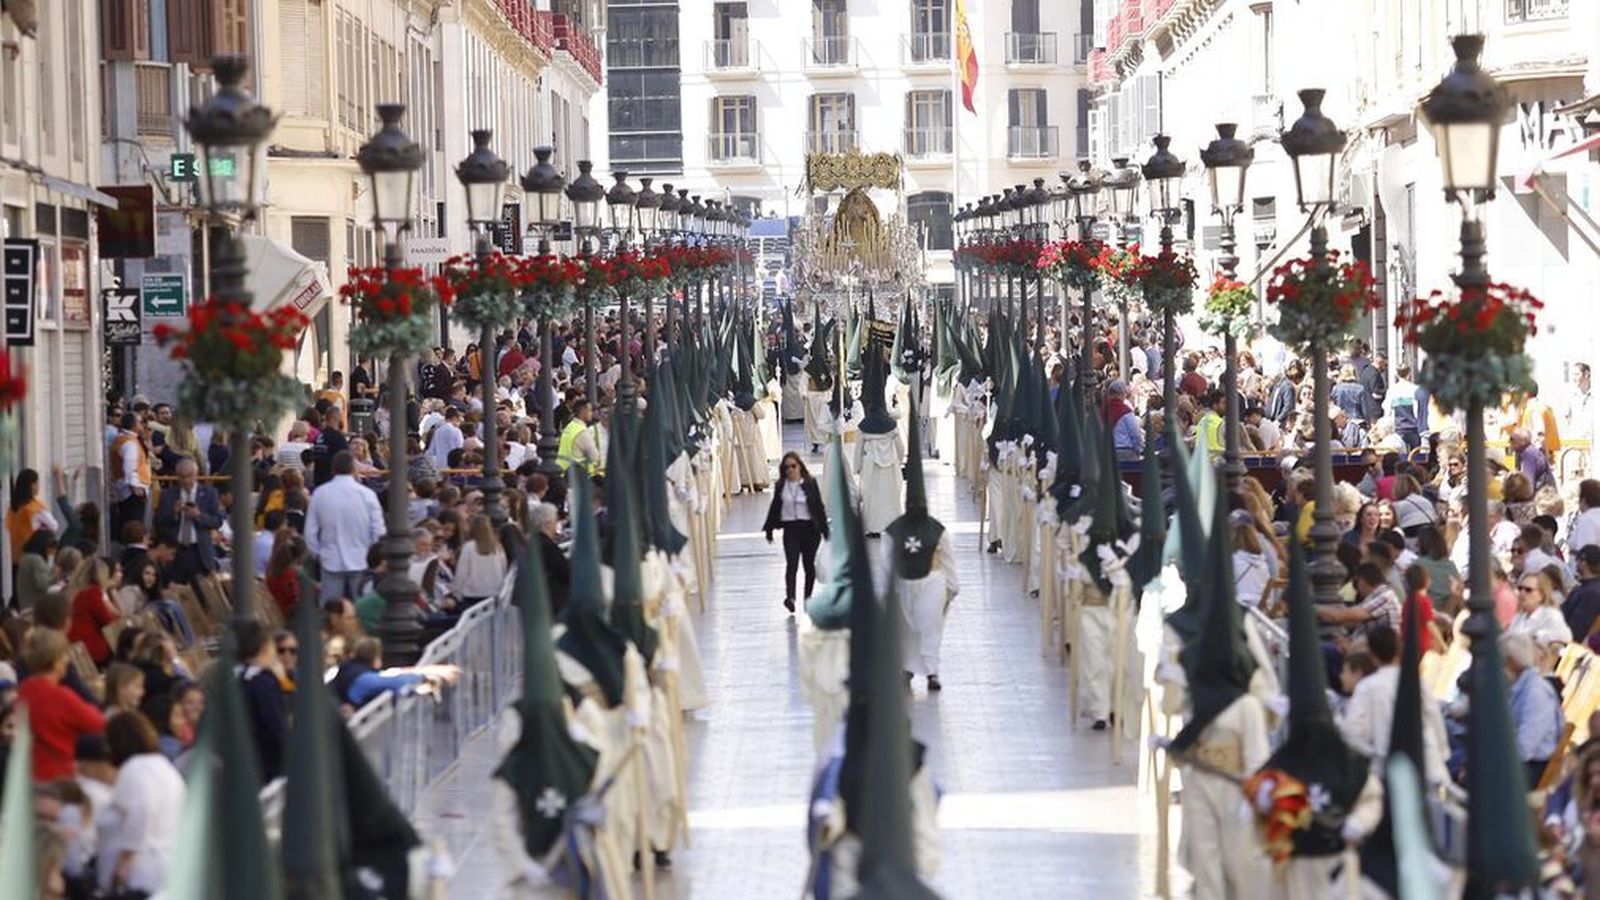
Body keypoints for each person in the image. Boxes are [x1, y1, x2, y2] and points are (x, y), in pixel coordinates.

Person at [883, 416, 958, 691]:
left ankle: (932, 671)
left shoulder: (938, 530)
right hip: (904, 582)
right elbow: (884, 563)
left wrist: (952, 586)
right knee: (907, 630)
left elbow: (948, 560)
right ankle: (906, 668)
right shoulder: (893, 532)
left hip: (932, 580)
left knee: (929, 626)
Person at [99, 711, 185, 897]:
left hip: (139, 871)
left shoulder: (135, 769)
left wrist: (124, 860)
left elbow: (142, 810)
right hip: (165, 865)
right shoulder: (165, 767)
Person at [17, 629, 106, 782]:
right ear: (56, 661)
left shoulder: (23, 692)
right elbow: (99, 724)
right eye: (64, 655)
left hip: (31, 778)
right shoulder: (60, 696)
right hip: (61, 778)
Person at [304, 451, 384, 604]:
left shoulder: (320, 494)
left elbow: (310, 532)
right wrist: (373, 554)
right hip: (362, 558)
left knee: (329, 608)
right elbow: (378, 530)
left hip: (330, 558)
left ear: (333, 469)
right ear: (354, 470)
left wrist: (318, 554)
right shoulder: (367, 495)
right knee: (362, 605)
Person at [763, 452, 828, 614]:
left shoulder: (810, 483)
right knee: (791, 564)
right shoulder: (781, 486)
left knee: (808, 565)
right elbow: (775, 507)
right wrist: (769, 529)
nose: (790, 470)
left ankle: (808, 597)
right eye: (786, 467)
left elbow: (818, 507)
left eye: (793, 466)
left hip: (809, 529)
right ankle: (790, 597)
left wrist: (825, 530)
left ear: (800, 466)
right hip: (791, 529)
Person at [331, 636, 457, 709]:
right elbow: (396, 680)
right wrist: (425, 676)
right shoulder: (364, 678)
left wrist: (427, 670)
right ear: (375, 658)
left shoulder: (351, 669)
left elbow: (392, 673)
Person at [1505, 631, 1563, 786]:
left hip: (1532, 767)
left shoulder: (1536, 693)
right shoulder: (1517, 685)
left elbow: (1524, 749)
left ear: (1512, 662)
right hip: (1516, 760)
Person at [152, 457, 223, 585]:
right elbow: (159, 521)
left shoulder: (209, 493)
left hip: (200, 552)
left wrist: (199, 515)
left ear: (196, 475)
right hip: (176, 551)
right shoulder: (168, 495)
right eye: (181, 477)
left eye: (189, 476)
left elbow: (217, 521)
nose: (186, 481)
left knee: (203, 593)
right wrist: (174, 513)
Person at [233, 619, 288, 783]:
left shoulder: (237, 680)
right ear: (264, 646)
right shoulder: (263, 683)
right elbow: (277, 728)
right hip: (274, 768)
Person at [67, 559, 121, 666]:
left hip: (74, 643)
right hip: (90, 647)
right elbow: (108, 620)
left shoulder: (75, 591)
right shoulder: (93, 593)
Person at [109, 414, 152, 540]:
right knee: (134, 524)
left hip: (124, 489)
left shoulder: (121, 439)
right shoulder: (130, 442)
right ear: (134, 425)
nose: (142, 425)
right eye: (139, 422)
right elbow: (129, 465)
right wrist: (134, 485)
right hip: (133, 491)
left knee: (128, 522)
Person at [453, 513, 508, 608]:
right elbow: (504, 569)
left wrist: (456, 593)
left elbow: (462, 573)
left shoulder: (468, 547)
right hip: (494, 593)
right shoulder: (497, 547)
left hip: (472, 595)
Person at [1510, 570, 1573, 650]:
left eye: (1528, 590)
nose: (1522, 593)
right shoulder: (1520, 615)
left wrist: (1537, 636)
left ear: (1542, 594)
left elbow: (1566, 636)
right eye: (1520, 588)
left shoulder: (1551, 614)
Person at [7, 468, 57, 564]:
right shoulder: (34, 507)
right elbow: (54, 525)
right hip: (32, 555)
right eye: (37, 483)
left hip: (13, 556)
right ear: (31, 485)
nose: (38, 486)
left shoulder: (12, 508)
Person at [530, 502, 571, 615]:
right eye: (555, 521)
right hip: (553, 600)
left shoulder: (534, 541)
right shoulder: (547, 546)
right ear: (547, 523)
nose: (555, 525)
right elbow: (564, 571)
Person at [16, 529, 59, 612]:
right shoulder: (36, 560)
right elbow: (43, 585)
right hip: (36, 607)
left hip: (25, 604)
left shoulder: (25, 557)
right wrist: (55, 575)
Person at [1564, 545, 1600, 641]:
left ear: (1584, 562)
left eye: (1577, 559)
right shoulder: (1585, 588)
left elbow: (1577, 629)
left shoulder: (1591, 593)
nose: (1576, 562)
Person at [309, 404, 349, 489]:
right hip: (333, 481)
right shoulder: (337, 437)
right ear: (337, 418)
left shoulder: (319, 436)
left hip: (318, 479)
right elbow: (345, 459)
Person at [428, 407, 465, 471]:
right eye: (458, 421)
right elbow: (460, 448)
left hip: (439, 465)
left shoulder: (437, 431)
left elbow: (431, 450)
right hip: (453, 465)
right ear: (454, 418)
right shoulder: (457, 431)